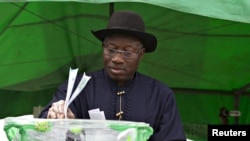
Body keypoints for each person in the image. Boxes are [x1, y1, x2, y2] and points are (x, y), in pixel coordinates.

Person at [38, 10, 186, 141]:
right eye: (111, 50)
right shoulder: (78, 87)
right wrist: (57, 116)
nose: (117, 59)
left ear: (141, 54)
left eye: (127, 52)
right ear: (103, 48)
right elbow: (42, 126)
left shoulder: (160, 95)